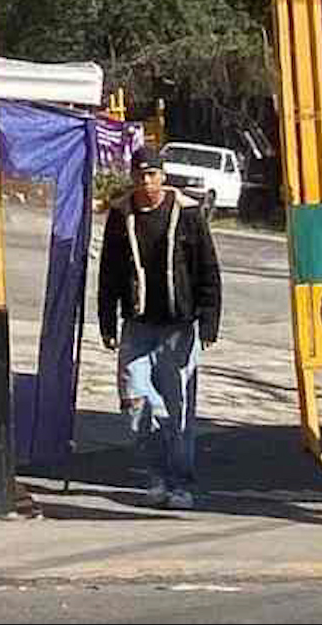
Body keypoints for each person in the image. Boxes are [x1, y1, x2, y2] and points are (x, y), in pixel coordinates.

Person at [98, 146, 223, 510]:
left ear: (163, 176)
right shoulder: (122, 216)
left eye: (152, 174)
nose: (146, 182)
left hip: (178, 328)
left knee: (177, 408)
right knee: (135, 401)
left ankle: (180, 483)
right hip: (137, 327)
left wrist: (209, 321)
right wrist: (107, 320)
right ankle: (155, 476)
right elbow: (109, 273)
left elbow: (207, 270)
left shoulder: (187, 215)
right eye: (140, 175)